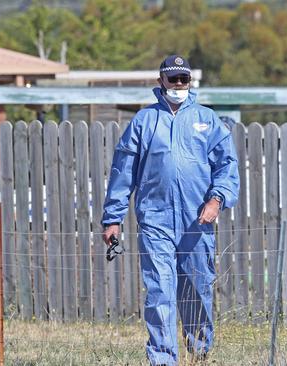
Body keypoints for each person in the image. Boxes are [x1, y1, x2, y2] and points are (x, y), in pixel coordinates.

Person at [102, 54, 240, 365]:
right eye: (173, 78)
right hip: (156, 221)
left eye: (184, 79)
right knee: (160, 291)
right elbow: (124, 172)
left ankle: (200, 351)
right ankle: (163, 357)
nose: (178, 84)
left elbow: (227, 167)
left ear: (190, 82)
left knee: (197, 289)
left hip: (197, 222)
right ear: (160, 80)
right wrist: (112, 218)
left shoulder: (208, 119)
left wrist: (217, 200)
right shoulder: (144, 121)